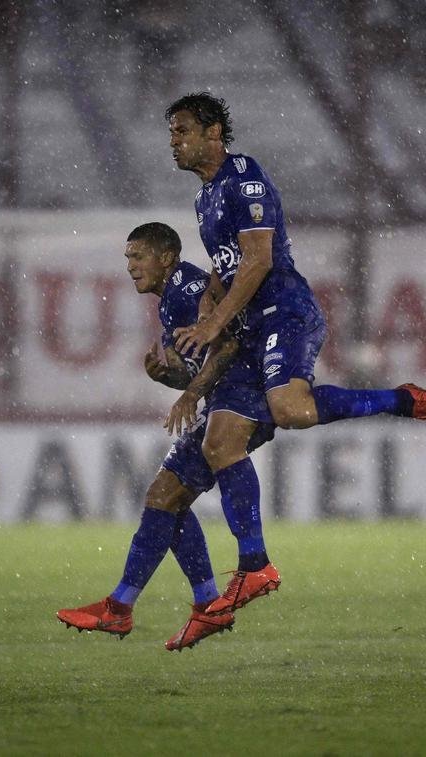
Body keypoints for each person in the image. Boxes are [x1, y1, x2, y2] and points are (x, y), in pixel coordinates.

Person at [165, 91, 426, 617]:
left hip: (284, 311)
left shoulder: (244, 177)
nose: (173, 141)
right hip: (248, 329)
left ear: (213, 133)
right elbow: (228, 261)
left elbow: (258, 260)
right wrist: (210, 303)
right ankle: (255, 565)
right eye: (171, 132)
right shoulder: (204, 198)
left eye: (183, 130)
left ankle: (405, 400)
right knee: (221, 441)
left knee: (290, 411)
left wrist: (213, 321)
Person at [56, 222, 275, 651]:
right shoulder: (171, 300)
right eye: (127, 258)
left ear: (167, 257)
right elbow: (193, 369)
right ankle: (205, 603)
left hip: (240, 402)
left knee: (163, 497)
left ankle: (124, 607)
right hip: (230, 402)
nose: (130, 266)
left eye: (138, 256)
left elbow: (228, 345)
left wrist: (190, 394)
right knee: (165, 499)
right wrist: (166, 376)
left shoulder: (188, 289)